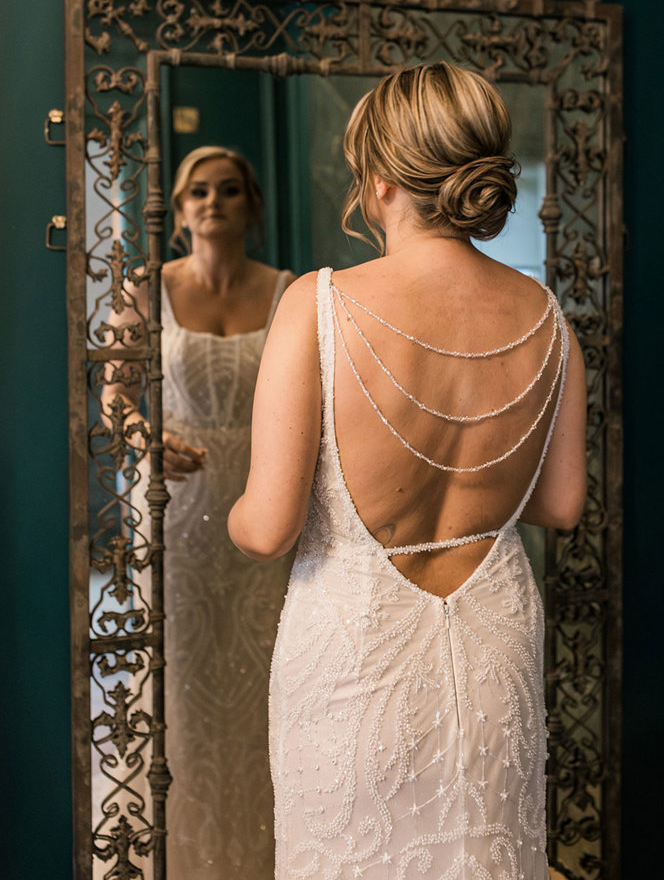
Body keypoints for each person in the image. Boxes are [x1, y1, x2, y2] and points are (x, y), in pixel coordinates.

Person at [228, 64, 587, 880]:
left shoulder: (317, 304)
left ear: (380, 177)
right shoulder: (547, 317)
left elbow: (269, 527)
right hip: (494, 642)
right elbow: (562, 503)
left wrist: (227, 508)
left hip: (351, 655)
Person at [101, 146, 294, 879]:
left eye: (229, 191)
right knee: (181, 681)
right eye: (197, 193)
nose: (212, 202)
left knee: (265, 682)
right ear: (178, 212)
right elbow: (113, 397)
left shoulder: (287, 292)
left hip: (263, 508)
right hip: (175, 513)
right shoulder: (145, 289)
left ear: (252, 206)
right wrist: (146, 437)